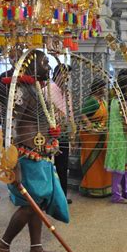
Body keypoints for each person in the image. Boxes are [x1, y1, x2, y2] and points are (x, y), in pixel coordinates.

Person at [0, 51, 68, 252]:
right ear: (31, 65)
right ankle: (3, 245)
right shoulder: (22, 90)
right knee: (31, 204)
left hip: (40, 153)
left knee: (39, 202)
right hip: (26, 155)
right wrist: (13, 162)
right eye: (44, 61)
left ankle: (36, 249)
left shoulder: (34, 88)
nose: (48, 65)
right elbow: (10, 127)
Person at [105, 75, 127, 204]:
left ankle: (126, 192)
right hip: (121, 136)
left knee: (125, 166)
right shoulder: (121, 101)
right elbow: (126, 121)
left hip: (117, 135)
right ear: (126, 87)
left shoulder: (114, 100)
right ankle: (116, 195)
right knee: (120, 167)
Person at [79, 78, 112, 197]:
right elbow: (82, 114)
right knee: (93, 164)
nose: (105, 90)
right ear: (97, 88)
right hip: (91, 138)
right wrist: (90, 125)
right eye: (103, 87)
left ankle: (104, 187)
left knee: (102, 163)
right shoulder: (92, 101)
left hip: (101, 136)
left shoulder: (101, 101)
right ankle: (92, 188)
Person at [47, 64, 74, 204]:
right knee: (48, 165)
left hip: (64, 133)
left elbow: (70, 114)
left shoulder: (67, 93)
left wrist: (72, 132)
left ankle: (62, 195)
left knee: (63, 165)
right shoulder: (48, 89)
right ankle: (49, 195)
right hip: (49, 134)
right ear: (56, 74)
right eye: (64, 74)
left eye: (68, 75)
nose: (66, 78)